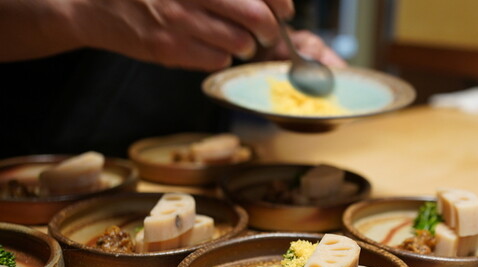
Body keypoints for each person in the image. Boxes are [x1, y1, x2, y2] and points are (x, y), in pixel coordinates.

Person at [0, 0, 345, 158]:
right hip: (29, 174)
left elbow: (267, 21)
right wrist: (82, 10)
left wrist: (273, 49)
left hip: (205, 172)